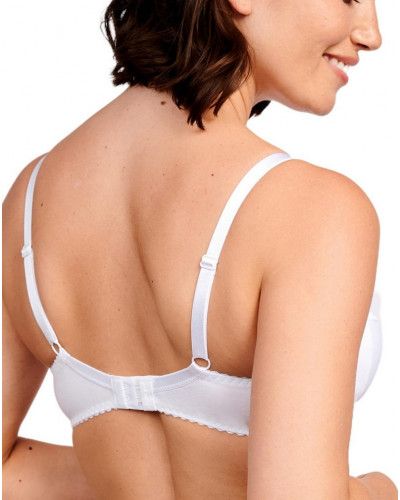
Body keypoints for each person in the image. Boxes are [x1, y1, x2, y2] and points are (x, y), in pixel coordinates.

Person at [2, 0, 397, 498]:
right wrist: (377, 491)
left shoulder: (30, 202)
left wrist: (128, 482)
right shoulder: (314, 210)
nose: (371, 34)